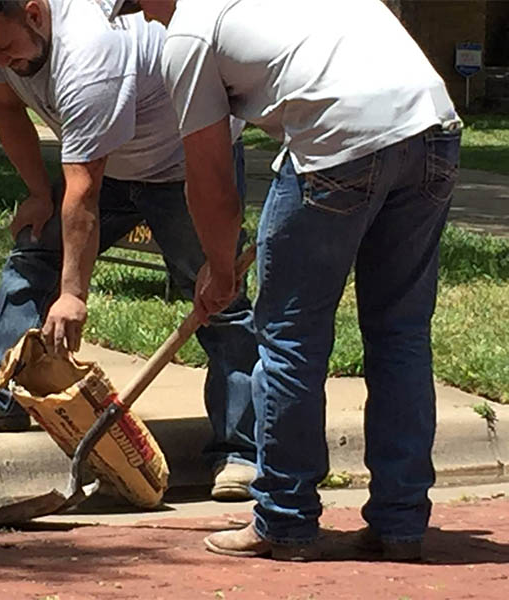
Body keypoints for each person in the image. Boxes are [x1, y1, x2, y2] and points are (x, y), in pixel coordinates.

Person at [106, 0, 462, 560]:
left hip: (337, 139)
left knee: (290, 336)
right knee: (401, 335)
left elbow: (209, 176)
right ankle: (401, 523)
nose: (148, 21)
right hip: (433, 127)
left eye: (142, 8)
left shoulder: (189, 35)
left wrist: (219, 269)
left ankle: (284, 519)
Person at [0, 0, 259, 500]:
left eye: (8, 47)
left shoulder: (89, 55)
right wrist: (38, 193)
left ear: (35, 14)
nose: (2, 60)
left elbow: (84, 189)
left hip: (183, 164)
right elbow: (5, 106)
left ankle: (242, 452)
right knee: (35, 252)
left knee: (219, 295)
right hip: (111, 161)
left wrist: (73, 295)